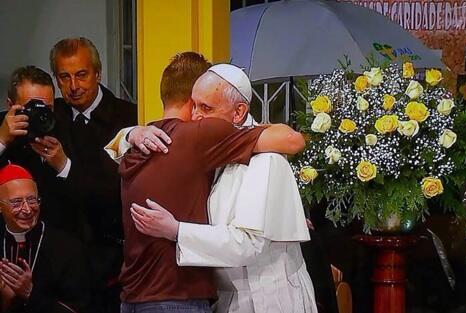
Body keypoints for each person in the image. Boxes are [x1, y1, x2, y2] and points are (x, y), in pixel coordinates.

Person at [106, 56, 316, 312]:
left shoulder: (265, 157)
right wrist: (131, 133)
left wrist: (176, 230)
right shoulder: (205, 144)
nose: (195, 117)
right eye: (193, 106)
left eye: (205, 108)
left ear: (239, 112)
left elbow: (247, 243)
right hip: (225, 297)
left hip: (268, 297)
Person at [50, 37, 137, 313]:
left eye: (81, 75)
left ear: (98, 73)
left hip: (113, 265)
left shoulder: (129, 118)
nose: (74, 86)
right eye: (64, 77)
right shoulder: (50, 118)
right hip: (60, 268)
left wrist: (65, 167)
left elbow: (117, 193)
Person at [0, 164, 90, 313]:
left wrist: (30, 293)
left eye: (32, 200)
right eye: (16, 202)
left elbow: (78, 308)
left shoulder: (68, 248)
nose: (27, 209)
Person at [0, 66, 78, 235]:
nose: (40, 115)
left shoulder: (69, 129)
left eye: (47, 108)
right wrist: (2, 141)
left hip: (56, 238)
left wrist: (63, 165)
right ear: (11, 105)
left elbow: (90, 196)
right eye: (32, 108)